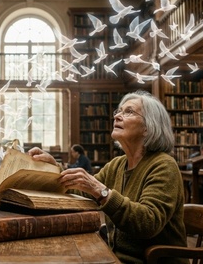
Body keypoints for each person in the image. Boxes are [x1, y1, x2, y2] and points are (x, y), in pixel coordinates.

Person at [28, 90, 188, 264]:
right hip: (113, 257)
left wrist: (102, 192)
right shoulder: (118, 164)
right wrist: (53, 168)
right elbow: (81, 191)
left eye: (129, 112)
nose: (118, 116)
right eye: (118, 111)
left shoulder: (164, 165)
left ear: (148, 126)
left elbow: (147, 223)